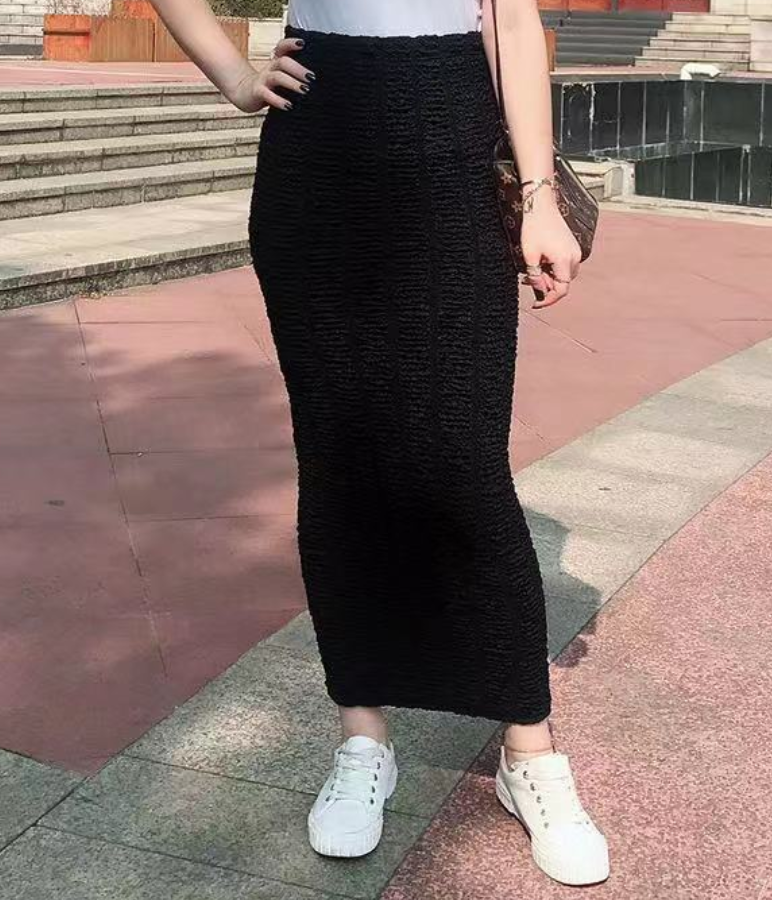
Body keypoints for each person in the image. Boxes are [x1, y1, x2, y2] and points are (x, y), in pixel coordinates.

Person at [149, 0, 608, 886]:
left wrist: (541, 197)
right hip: (318, 150)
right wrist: (235, 76)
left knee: (465, 470)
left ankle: (530, 752)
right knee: (339, 465)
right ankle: (363, 738)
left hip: (453, 134)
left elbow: (514, 25)